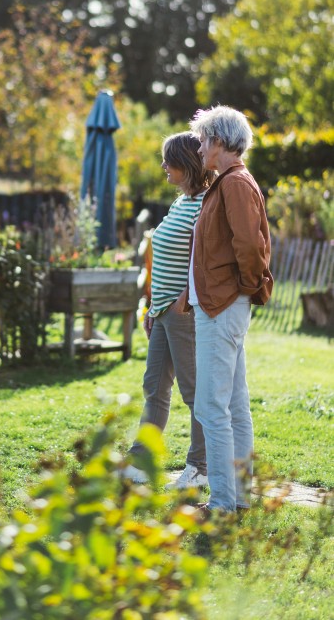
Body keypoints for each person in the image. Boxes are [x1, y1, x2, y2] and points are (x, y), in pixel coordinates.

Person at [188, 105, 273, 513]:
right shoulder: (225, 183)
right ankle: (238, 497)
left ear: (220, 141)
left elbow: (250, 248)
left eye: (204, 139)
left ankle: (223, 502)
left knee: (210, 406)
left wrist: (242, 289)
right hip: (223, 305)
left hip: (222, 307)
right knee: (234, 404)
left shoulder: (235, 184)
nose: (200, 146)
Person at [123, 131, 216, 488]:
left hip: (184, 314)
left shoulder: (206, 204)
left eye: (169, 160)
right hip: (161, 312)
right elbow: (161, 260)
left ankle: (200, 468)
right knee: (155, 386)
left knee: (193, 392)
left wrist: (183, 300)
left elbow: (206, 261)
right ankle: (141, 461)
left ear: (187, 164)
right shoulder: (180, 203)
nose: (163, 166)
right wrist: (151, 306)